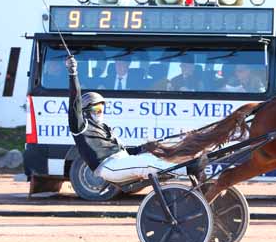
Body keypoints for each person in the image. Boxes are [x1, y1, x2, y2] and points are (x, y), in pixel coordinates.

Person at [66, 56, 187, 184]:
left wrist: (145, 148)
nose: (100, 112)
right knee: (146, 164)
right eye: (96, 109)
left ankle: (185, 162)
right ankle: (188, 169)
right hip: (108, 166)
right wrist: (73, 74)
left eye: (102, 108)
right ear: (85, 112)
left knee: (151, 155)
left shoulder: (104, 127)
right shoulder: (80, 127)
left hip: (121, 161)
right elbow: (75, 102)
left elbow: (124, 151)